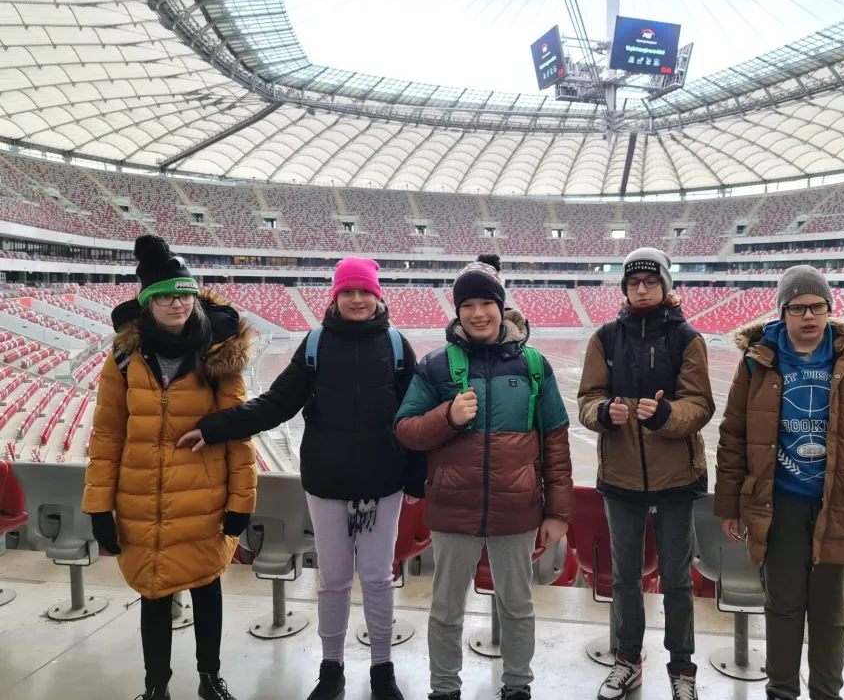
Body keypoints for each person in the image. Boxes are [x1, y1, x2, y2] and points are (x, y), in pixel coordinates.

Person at [176, 256, 423, 700]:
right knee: (333, 580)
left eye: (364, 291)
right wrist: (215, 427)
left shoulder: (397, 346)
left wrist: (417, 478)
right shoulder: (315, 344)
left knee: (377, 579)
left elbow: (415, 417)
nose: (356, 299)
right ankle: (331, 669)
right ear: (336, 296)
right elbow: (277, 403)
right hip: (327, 485)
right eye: (347, 291)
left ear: (377, 295)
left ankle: (382, 669)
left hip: (383, 484)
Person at [716, 265, 844, 700]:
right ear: (782, 312)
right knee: (782, 609)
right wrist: (729, 505)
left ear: (829, 309)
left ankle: (826, 694)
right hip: (779, 506)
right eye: (797, 307)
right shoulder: (757, 361)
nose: (808, 316)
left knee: (830, 615)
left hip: (841, 507)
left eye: (817, 307)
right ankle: (781, 691)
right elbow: (733, 436)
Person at [82, 234, 257, 700]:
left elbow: (237, 432)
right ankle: (156, 687)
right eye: (164, 296)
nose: (177, 303)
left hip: (204, 498)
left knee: (207, 589)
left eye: (184, 293)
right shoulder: (123, 358)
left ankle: (209, 679)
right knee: (153, 593)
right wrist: (98, 506)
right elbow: (107, 435)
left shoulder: (218, 354)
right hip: (143, 500)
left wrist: (241, 502)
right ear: (147, 302)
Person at [394, 254, 574, 700]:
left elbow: (555, 440)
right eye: (468, 305)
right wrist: (447, 417)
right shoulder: (436, 366)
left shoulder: (533, 366)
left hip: (517, 508)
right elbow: (405, 430)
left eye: (486, 303)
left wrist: (558, 512)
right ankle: (443, 689)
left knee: (518, 606)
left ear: (501, 306)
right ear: (457, 311)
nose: (478, 313)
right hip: (453, 509)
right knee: (446, 610)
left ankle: (517, 687)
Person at [577, 247, 715, 700]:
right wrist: (603, 411)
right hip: (621, 478)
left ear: (665, 286)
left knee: (677, 579)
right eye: (633, 283)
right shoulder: (604, 338)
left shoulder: (686, 338)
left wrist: (666, 415)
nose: (641, 289)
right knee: (624, 578)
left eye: (650, 282)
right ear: (624, 288)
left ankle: (682, 668)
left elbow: (700, 405)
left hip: (676, 478)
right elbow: (586, 399)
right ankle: (627, 659)